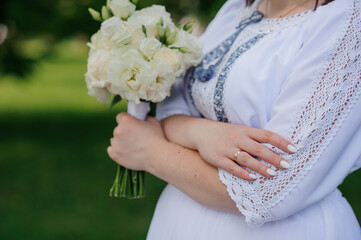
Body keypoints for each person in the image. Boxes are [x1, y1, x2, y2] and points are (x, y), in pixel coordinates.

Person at [107, 0, 361, 239]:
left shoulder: (347, 21)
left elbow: (270, 192)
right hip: (180, 218)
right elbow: (176, 98)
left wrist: (150, 151)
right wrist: (199, 131)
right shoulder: (237, 7)